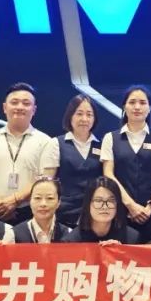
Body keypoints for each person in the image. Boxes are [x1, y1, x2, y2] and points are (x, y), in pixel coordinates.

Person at [0, 82, 52, 225]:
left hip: (29, 212)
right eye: (14, 102)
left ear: (34, 109)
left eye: (26, 103)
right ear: (4, 107)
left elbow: (44, 178)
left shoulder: (45, 141)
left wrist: (15, 200)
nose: (20, 107)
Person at [101, 85, 151, 243]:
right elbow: (108, 174)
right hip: (121, 212)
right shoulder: (110, 138)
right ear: (124, 107)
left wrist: (150, 207)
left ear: (149, 108)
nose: (137, 107)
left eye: (142, 102)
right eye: (132, 102)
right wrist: (131, 205)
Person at [41, 94, 101, 228]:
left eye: (89, 114)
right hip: (63, 214)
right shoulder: (56, 144)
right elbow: (47, 183)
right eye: (79, 113)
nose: (84, 119)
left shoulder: (102, 146)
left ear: (94, 119)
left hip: (94, 215)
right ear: (70, 116)